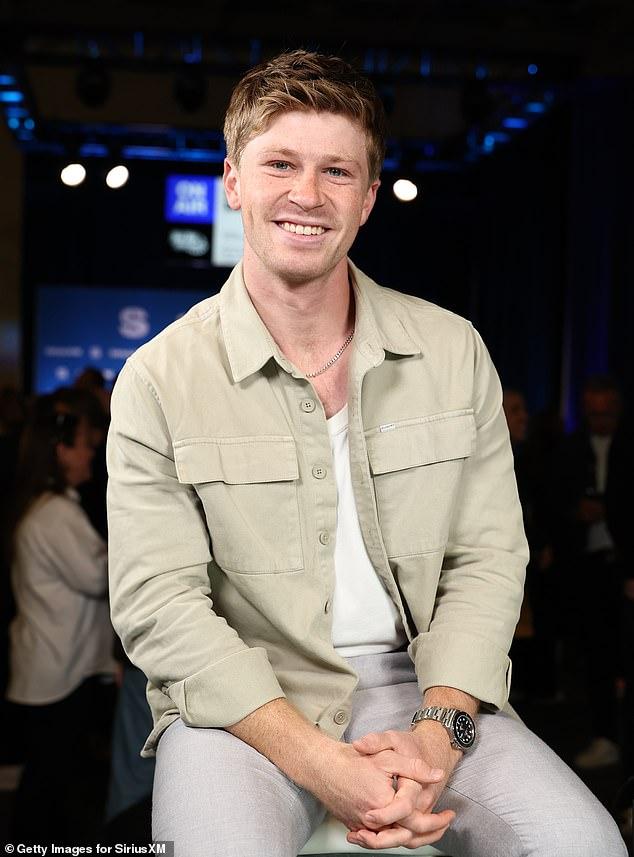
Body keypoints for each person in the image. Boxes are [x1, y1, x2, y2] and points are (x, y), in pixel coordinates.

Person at [107, 50, 626, 856]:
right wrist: (323, 763)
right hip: (240, 709)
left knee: (584, 843)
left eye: (337, 172)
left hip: (425, 689)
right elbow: (159, 605)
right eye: (280, 164)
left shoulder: (453, 351)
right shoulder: (158, 377)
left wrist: (438, 734)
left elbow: (488, 560)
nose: (307, 195)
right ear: (234, 181)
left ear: (369, 198)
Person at [7, 393, 117, 842]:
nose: (92, 453)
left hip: (53, 665)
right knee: (49, 788)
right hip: (57, 672)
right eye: (85, 445)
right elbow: (96, 577)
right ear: (60, 450)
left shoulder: (47, 506)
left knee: (49, 784)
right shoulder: (55, 513)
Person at [558, 376, 629, 769]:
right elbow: (554, 501)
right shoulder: (571, 449)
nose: (601, 420)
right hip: (587, 567)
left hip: (625, 563)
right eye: (594, 413)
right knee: (597, 655)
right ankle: (605, 736)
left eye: (607, 412)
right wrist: (576, 511)